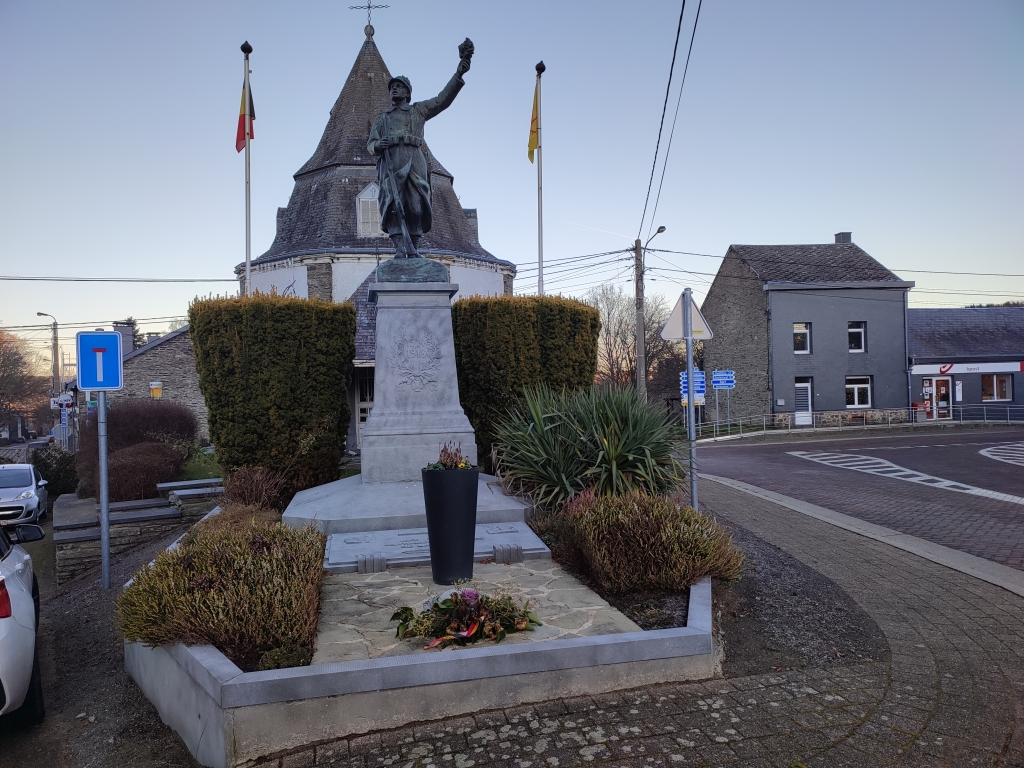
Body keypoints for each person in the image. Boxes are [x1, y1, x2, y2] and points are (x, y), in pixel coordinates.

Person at [367, 39, 473, 258]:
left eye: (399, 86)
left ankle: (413, 249)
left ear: (407, 93)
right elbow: (371, 144)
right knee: (394, 205)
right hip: (392, 160)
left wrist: (458, 74)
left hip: (415, 158)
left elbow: (442, 100)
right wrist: (378, 145)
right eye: (392, 87)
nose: (394, 89)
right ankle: (398, 250)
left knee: (416, 205)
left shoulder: (418, 111)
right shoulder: (382, 118)